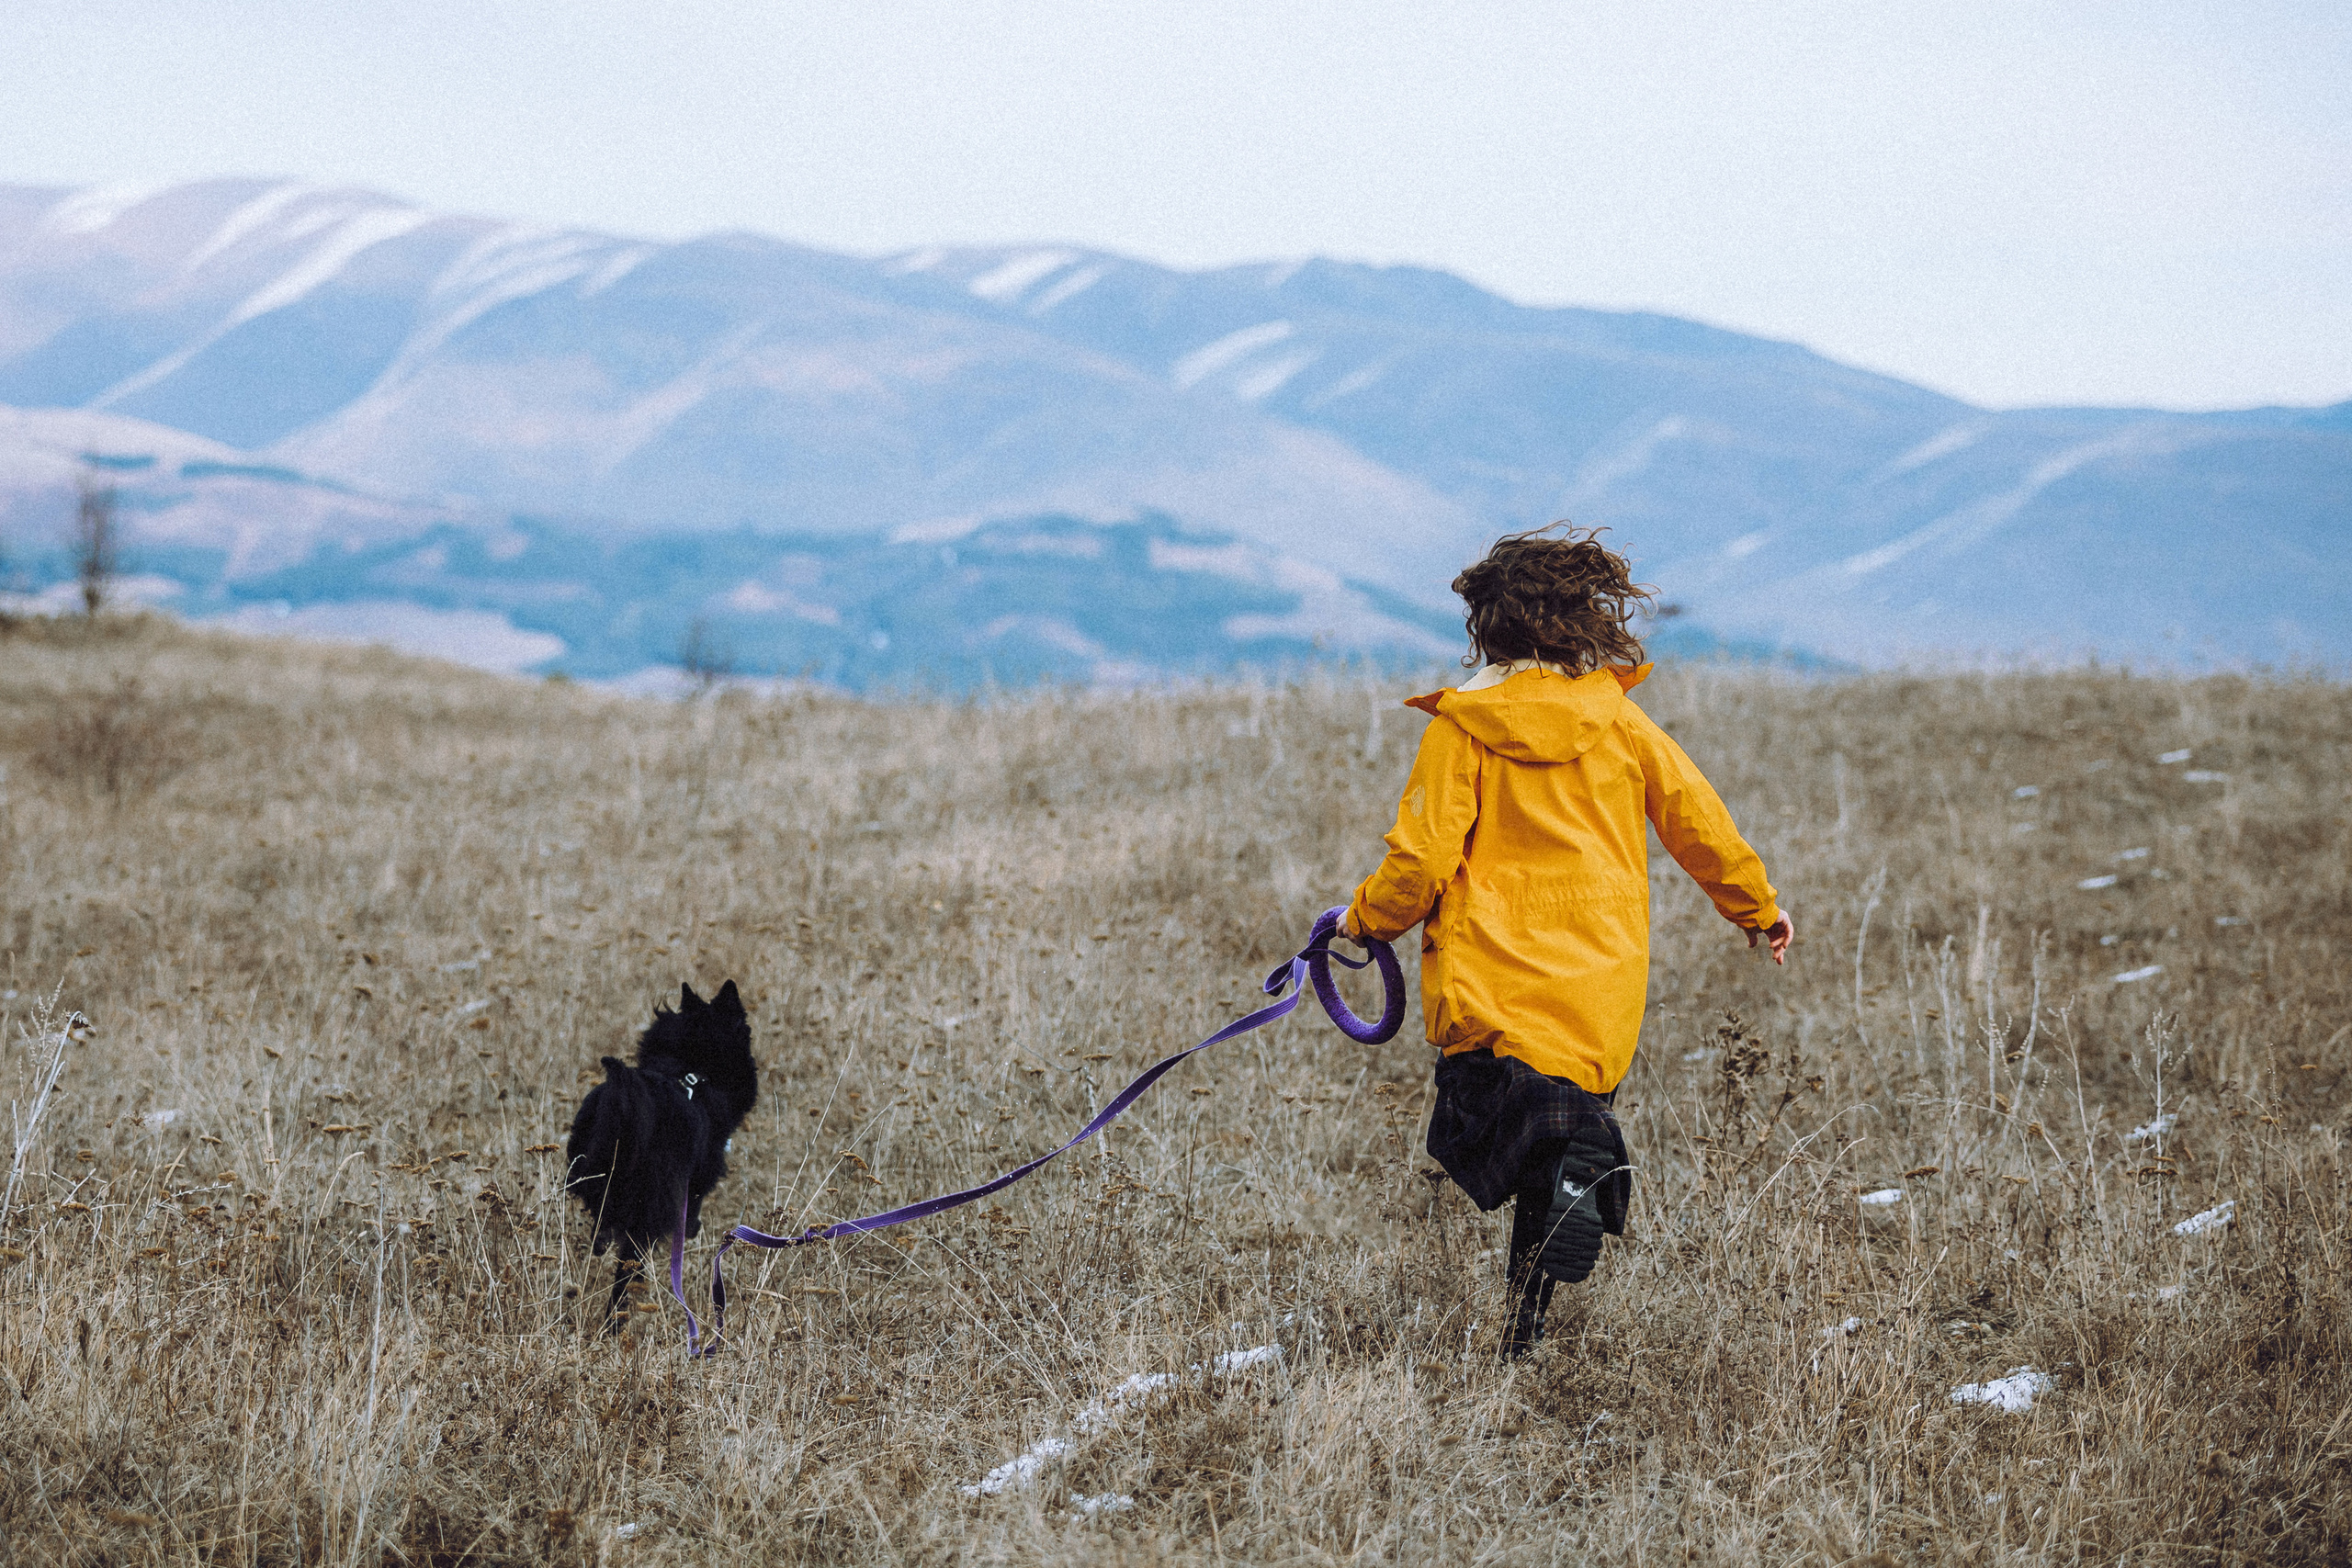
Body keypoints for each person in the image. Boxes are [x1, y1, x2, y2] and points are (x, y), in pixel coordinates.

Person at [1340, 525, 1792, 1358]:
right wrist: (1757, 906)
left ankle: (1566, 1175)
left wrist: (1362, 922)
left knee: (1479, 1125)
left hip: (1493, 981)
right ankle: (1526, 1325)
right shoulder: (1620, 721)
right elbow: (1698, 818)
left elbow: (1423, 858)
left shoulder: (1464, 729)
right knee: (1558, 1153)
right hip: (1599, 983)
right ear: (1584, 621)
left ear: (1490, 627)